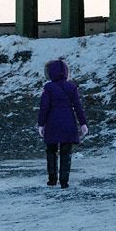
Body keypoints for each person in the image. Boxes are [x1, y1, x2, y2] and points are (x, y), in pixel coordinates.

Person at [37, 58, 88, 188]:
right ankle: (64, 181)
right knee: (66, 153)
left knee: (51, 151)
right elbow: (78, 106)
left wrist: (41, 124)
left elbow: (44, 107)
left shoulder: (48, 88)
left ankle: (52, 179)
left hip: (52, 123)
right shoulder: (72, 87)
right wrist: (83, 123)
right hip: (68, 123)